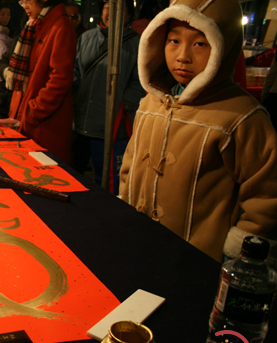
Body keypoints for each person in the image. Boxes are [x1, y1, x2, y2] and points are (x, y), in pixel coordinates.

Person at [119, 0, 277, 262]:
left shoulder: (241, 116)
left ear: (222, 46)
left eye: (200, 43)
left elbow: (267, 195)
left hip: (197, 261)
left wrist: (238, 253)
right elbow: (130, 164)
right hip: (138, 246)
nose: (183, 56)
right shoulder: (152, 102)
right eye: (174, 40)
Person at [72, 0, 145, 192]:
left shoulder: (136, 43)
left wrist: (124, 104)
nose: (112, 13)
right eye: (107, 7)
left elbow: (140, 82)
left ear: (128, 14)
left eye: (120, 8)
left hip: (111, 123)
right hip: (80, 121)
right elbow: (75, 72)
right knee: (74, 175)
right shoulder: (86, 37)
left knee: (106, 179)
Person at [5, 0, 76, 164]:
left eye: (27, 0)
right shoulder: (35, 25)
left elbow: (60, 78)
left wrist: (34, 111)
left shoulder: (60, 26)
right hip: (30, 117)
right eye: (21, 1)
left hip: (46, 123)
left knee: (45, 177)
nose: (24, 5)